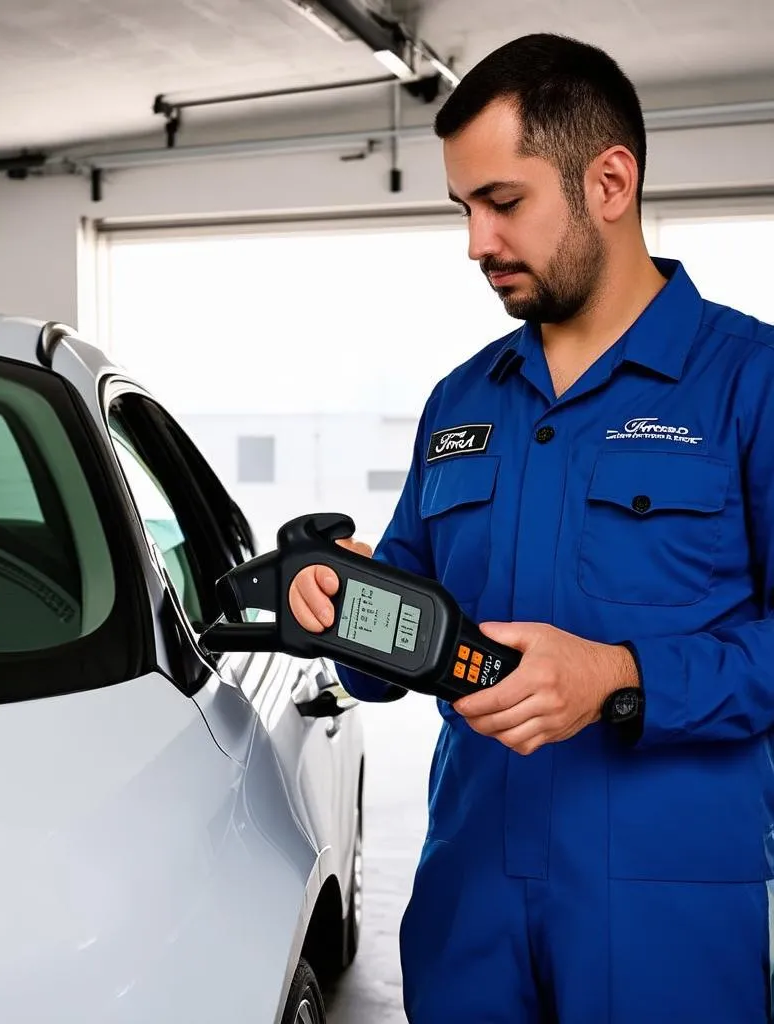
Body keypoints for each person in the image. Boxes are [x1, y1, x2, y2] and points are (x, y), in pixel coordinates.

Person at [290, 32, 774, 1023]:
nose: (475, 242)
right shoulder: (460, 400)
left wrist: (619, 677)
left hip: (666, 909)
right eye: (463, 209)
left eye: (502, 202)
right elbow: (398, 640)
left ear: (608, 181)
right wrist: (345, 604)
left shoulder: (749, 384)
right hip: (469, 895)